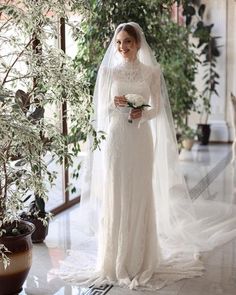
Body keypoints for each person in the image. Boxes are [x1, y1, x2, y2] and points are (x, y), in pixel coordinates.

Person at [59, 22, 236, 290]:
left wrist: (143, 111)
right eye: (118, 43)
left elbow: (157, 110)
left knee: (140, 193)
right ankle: (114, 259)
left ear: (137, 43)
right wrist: (115, 104)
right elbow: (101, 112)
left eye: (127, 42)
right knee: (118, 193)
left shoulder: (151, 72)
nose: (122, 48)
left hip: (141, 139)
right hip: (118, 139)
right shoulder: (108, 71)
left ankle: (140, 259)